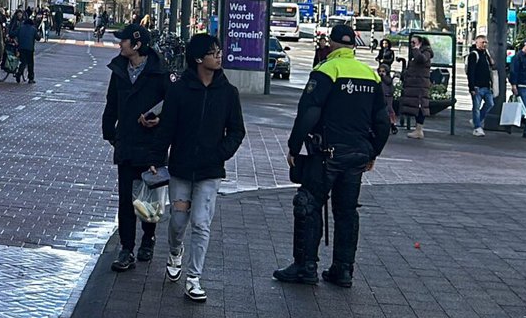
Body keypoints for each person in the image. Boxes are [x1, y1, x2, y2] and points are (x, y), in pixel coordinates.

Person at [274, 21, 392, 288]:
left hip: (326, 154)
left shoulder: (327, 70)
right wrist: (374, 152)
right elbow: (382, 120)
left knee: (308, 204)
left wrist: (294, 146)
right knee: (347, 212)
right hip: (357, 157)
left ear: (333, 44)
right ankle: (343, 269)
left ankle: (305, 266)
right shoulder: (369, 74)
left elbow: (309, 111)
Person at [154, 34, 246, 303]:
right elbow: (167, 127)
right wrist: (158, 157)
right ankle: (174, 252)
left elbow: (237, 131)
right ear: (197, 59)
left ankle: (194, 278)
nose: (219, 56)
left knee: (202, 223)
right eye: (212, 52)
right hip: (181, 167)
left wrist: (220, 154)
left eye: (219, 51)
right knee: (178, 220)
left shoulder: (228, 93)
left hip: (210, 171)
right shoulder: (180, 90)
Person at [102, 25, 169, 271]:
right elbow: (112, 103)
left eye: (124, 41)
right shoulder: (119, 70)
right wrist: (111, 134)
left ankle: (148, 238)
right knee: (125, 200)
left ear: (137, 45)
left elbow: (172, 107)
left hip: (152, 145)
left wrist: (159, 121)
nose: (120, 44)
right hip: (127, 143)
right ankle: (126, 248)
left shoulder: (160, 73)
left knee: (149, 196)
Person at [399, 35, 432, 139]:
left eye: (414, 42)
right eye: (411, 42)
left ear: (420, 43)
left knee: (420, 106)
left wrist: (416, 50)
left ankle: (419, 130)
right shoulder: (415, 52)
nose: (412, 45)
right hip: (414, 83)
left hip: (420, 84)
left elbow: (421, 59)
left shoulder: (426, 52)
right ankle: (417, 129)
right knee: (413, 106)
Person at [465, 35, 495, 136]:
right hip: (477, 85)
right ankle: (477, 127)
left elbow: (491, 66)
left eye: (486, 42)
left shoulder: (486, 54)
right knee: (476, 107)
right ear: (476, 43)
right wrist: (471, 87)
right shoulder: (473, 55)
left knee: (490, 103)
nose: (484, 44)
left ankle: (476, 120)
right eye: (482, 42)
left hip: (487, 85)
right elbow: (471, 72)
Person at [11, 11, 41, 83]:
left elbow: (13, 34)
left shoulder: (21, 27)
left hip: (21, 47)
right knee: (30, 63)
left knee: (23, 62)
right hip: (30, 49)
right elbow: (38, 38)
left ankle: (19, 73)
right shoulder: (33, 29)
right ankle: (30, 78)